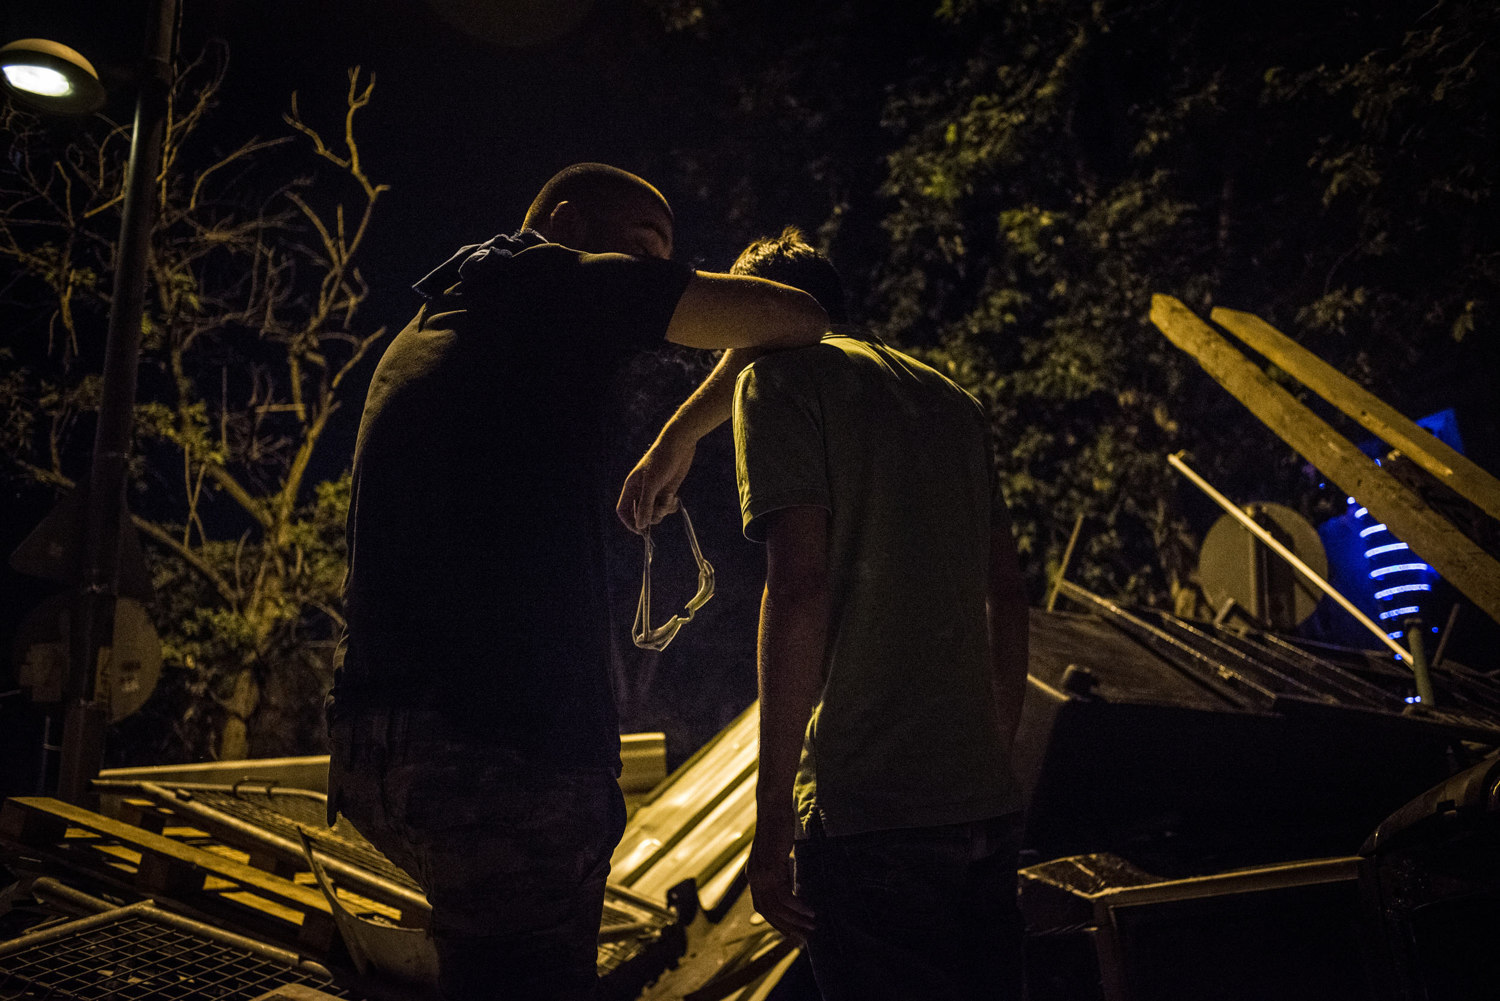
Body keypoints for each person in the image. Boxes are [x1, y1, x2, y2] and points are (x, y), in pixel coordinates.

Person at [328, 165, 828, 1001]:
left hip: (380, 747)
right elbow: (796, 316)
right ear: (562, 223)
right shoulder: (550, 281)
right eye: (641, 251)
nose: (652, 273)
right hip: (497, 760)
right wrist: (684, 434)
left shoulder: (440, 321)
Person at [621, 228, 1030, 1000]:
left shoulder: (778, 381)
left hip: (868, 813)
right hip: (983, 802)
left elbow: (799, 587)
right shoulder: (951, 399)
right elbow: (1007, 593)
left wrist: (771, 814)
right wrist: (994, 747)